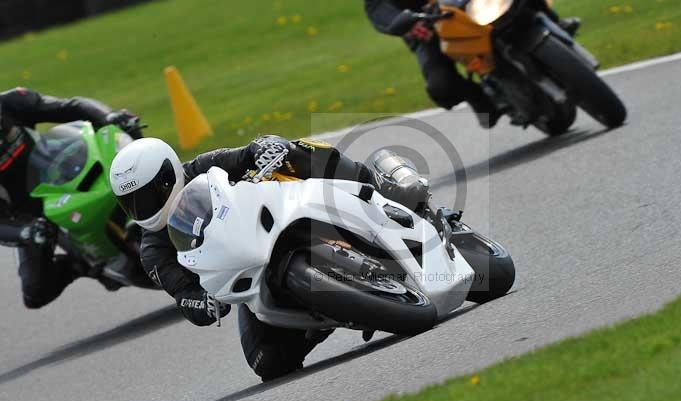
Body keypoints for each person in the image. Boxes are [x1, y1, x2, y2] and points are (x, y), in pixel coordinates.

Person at [110, 135, 429, 381]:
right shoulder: (153, 251)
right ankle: (326, 312)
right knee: (267, 362)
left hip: (281, 214)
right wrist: (204, 303)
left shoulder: (202, 167)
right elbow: (183, 295)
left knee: (297, 151)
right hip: (251, 270)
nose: (141, 209)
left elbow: (248, 152)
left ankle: (379, 187)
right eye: (131, 203)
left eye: (146, 196)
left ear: (168, 177)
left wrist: (266, 147)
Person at [343, 0, 580, 128]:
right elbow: (375, 5)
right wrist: (403, 22)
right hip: (417, 18)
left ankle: (553, 21)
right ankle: (482, 98)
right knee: (441, 85)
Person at [0, 87, 141, 309]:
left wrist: (109, 116)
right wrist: (23, 232)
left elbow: (72, 107)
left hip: (58, 172)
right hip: (30, 215)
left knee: (125, 130)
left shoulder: (13, 101)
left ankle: (175, 186)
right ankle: (79, 265)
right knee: (35, 292)